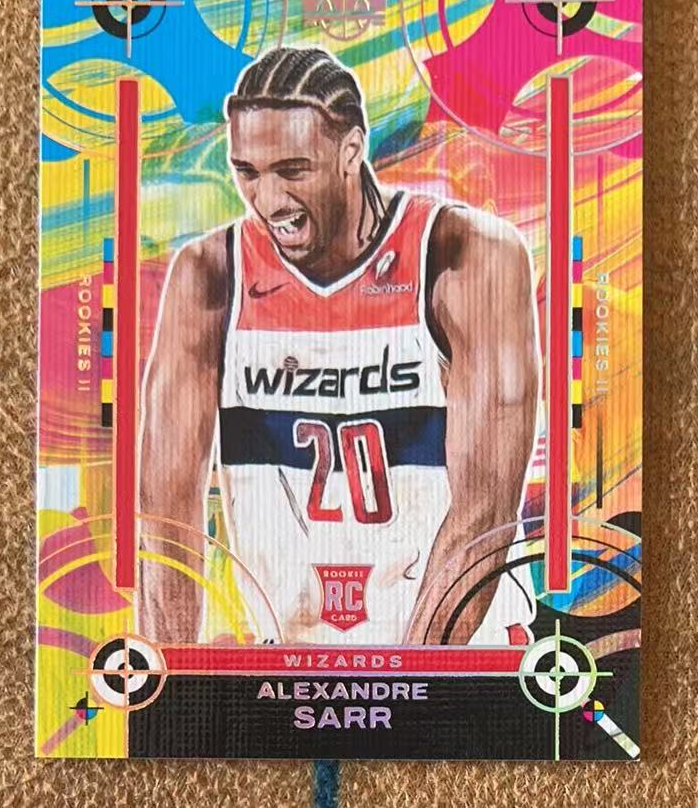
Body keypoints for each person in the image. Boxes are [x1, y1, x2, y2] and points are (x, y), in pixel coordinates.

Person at [138, 46, 540, 646]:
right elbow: (166, 517)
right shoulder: (211, 275)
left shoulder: (464, 255)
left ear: (351, 151)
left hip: (460, 648)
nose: (268, 199)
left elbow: (485, 511)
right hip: (294, 659)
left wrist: (412, 679)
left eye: (292, 170)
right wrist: (166, 683)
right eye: (247, 172)